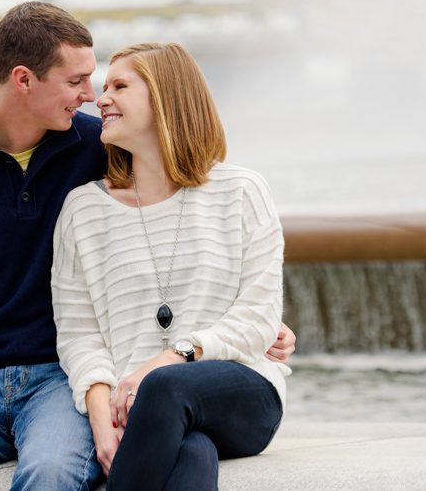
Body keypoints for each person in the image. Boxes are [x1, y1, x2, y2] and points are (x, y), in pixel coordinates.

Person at [0, 4, 295, 491]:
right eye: (79, 82)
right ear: (24, 79)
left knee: (53, 473)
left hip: (58, 380)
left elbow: (188, 188)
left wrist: (257, 324)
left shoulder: (102, 145)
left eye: (107, 85)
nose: (93, 98)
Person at [51, 42, 290, 491]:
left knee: (165, 386)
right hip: (139, 410)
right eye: (103, 87)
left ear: (166, 97)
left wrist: (171, 358)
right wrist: (103, 426)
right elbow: (79, 335)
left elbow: (257, 319)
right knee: (192, 452)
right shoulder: (82, 209)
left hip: (242, 392)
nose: (101, 99)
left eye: (119, 86)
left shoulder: (242, 191)